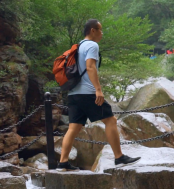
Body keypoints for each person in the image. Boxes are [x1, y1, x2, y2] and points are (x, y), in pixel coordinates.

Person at [57, 19, 140, 171]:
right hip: (88, 93)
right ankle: (119, 157)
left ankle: (62, 163)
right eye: (100, 30)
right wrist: (98, 90)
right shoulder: (92, 45)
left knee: (73, 128)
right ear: (92, 30)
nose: (102, 33)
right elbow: (90, 67)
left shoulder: (78, 46)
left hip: (73, 93)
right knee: (111, 120)